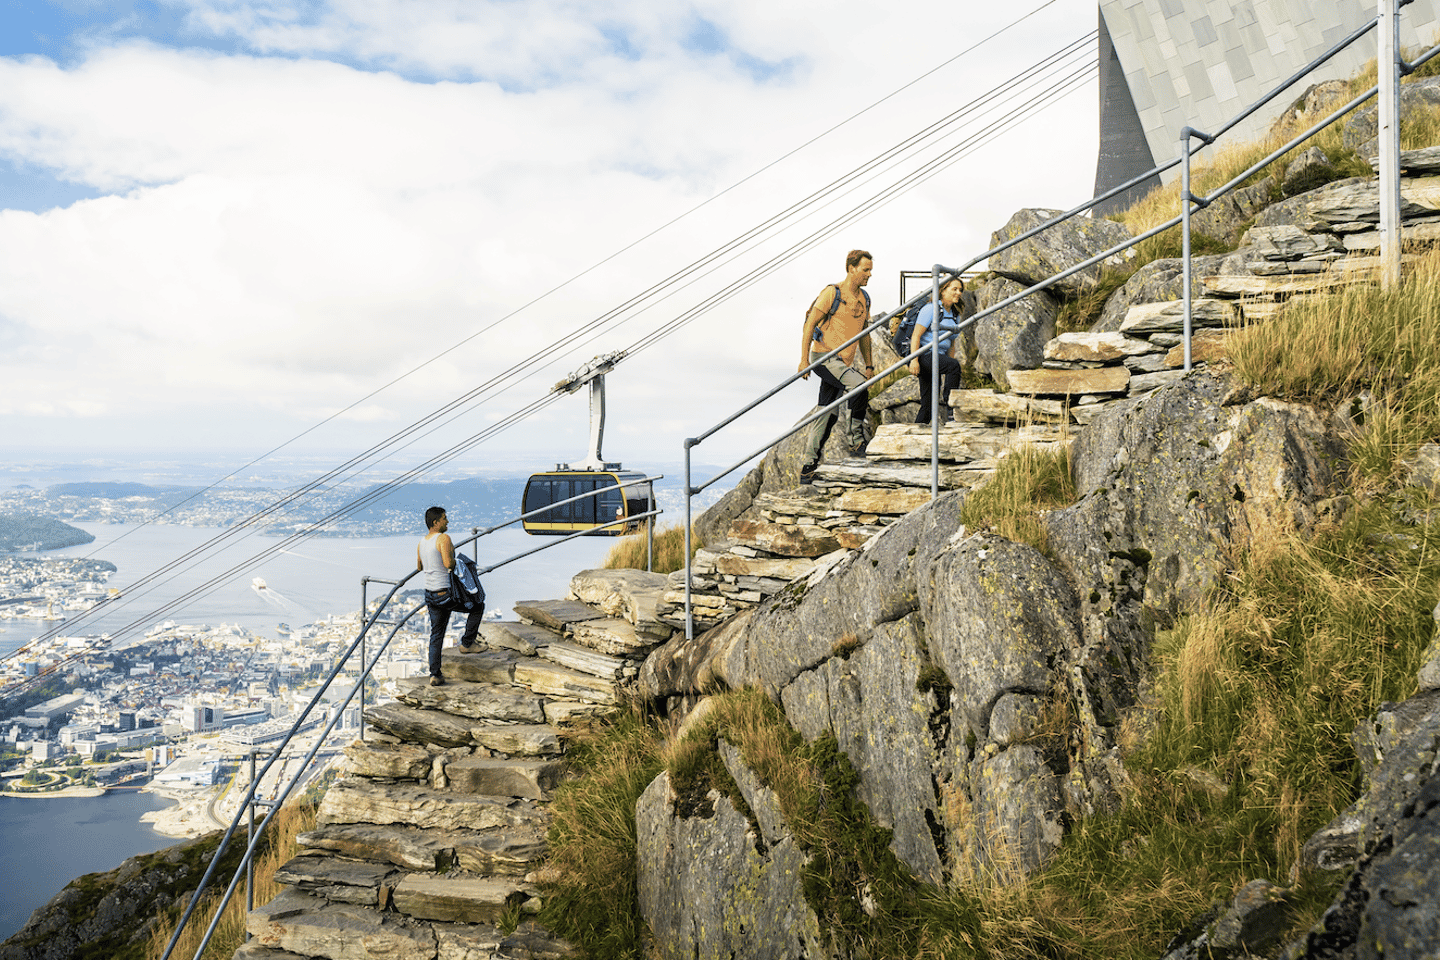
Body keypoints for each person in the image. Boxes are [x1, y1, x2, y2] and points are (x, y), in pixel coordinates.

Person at [797, 249, 875, 484]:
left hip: (842, 363)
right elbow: (810, 324)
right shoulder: (833, 292)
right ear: (851, 269)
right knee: (860, 386)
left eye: (870, 270)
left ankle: (808, 466)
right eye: (865, 270)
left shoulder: (864, 299)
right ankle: (856, 442)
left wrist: (869, 364)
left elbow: (864, 335)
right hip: (824, 357)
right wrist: (804, 360)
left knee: (827, 414)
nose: (869, 275)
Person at [415, 506, 483, 686]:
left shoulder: (422, 542)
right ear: (436, 522)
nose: (447, 521)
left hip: (429, 594)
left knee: (436, 633)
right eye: (444, 518)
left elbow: (420, 566)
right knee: (478, 606)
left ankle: (435, 674)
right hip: (444, 592)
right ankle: (467, 644)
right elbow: (448, 564)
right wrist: (454, 557)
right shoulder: (443, 538)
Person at [908, 276, 967, 425]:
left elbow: (951, 343)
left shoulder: (955, 315)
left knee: (928, 404)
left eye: (960, 290)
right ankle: (951, 409)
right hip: (925, 356)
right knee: (954, 366)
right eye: (954, 289)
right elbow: (916, 335)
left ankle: (915, 435)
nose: (958, 293)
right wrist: (914, 360)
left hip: (939, 358)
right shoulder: (931, 309)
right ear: (942, 291)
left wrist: (948, 362)